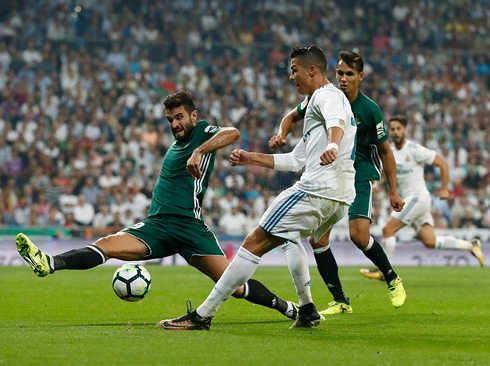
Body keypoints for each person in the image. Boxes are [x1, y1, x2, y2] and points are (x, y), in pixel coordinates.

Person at [16, 90, 297, 322]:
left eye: (179, 117)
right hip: (157, 225)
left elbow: (233, 132)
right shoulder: (174, 146)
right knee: (107, 244)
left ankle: (289, 308)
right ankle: (50, 263)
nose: (174, 124)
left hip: (190, 227)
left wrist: (200, 150)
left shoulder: (202, 133)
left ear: (193, 116)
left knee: (234, 287)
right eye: (169, 119)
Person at [161, 45, 357, 331]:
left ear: (311, 70)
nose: (291, 77)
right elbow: (296, 159)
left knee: (253, 242)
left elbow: (336, 123)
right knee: (289, 238)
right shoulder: (319, 107)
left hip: (317, 189)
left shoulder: (326, 96)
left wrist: (332, 144)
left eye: (294, 70)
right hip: (339, 198)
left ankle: (203, 315)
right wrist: (251, 158)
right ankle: (307, 308)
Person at [269, 50, 406, 314]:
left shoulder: (369, 110)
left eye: (349, 74)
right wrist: (281, 133)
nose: (343, 78)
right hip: (329, 175)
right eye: (340, 73)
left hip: (360, 174)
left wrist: (393, 192)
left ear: (360, 77)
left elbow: (386, 151)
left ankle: (391, 277)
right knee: (318, 241)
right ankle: (341, 302)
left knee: (358, 235)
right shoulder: (322, 97)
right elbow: (290, 116)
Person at [360, 115, 484, 279]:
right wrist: (377, 184)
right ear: (389, 131)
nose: (395, 132)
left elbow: (442, 163)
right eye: (392, 129)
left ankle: (384, 271)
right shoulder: (389, 151)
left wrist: (445, 189)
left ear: (405, 130)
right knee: (430, 241)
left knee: (387, 229)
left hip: (417, 198)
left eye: (399, 129)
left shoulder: (414, 149)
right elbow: (386, 173)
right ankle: (471, 245)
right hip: (415, 201)